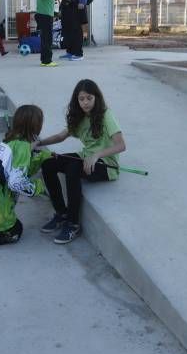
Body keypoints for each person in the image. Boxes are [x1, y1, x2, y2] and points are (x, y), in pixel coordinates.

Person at [37, 79, 127, 244]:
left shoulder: (106, 115)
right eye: (81, 99)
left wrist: (97, 155)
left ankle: (73, 224)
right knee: (48, 163)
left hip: (106, 164)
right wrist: (39, 143)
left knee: (73, 168)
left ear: (96, 98)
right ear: (76, 100)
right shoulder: (78, 117)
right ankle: (61, 213)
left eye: (89, 98)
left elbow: (121, 145)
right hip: (85, 157)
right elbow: (61, 136)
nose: (85, 102)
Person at [0, 104, 52, 237]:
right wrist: (40, 187)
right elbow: (16, 183)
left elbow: (15, 165)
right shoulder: (22, 146)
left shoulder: (10, 141)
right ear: (35, 125)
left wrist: (41, 155)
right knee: (16, 230)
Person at [36, 0, 58, 66]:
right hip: (43, 15)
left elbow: (51, 0)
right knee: (46, 38)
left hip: (49, 15)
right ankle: (46, 61)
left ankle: (45, 60)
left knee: (47, 38)